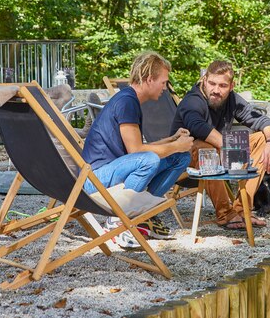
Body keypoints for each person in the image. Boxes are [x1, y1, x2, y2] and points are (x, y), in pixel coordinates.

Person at [82, 51, 193, 247]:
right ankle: (118, 219)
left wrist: (172, 141)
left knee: (181, 157)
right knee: (150, 159)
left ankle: (142, 215)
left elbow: (135, 150)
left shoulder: (131, 100)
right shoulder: (127, 102)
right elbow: (137, 152)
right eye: (164, 82)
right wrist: (174, 145)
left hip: (115, 170)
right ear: (150, 79)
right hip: (95, 179)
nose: (165, 88)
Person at [171, 60, 270, 229]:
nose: (216, 90)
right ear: (204, 80)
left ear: (231, 86)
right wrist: (228, 146)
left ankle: (242, 210)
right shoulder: (192, 100)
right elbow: (197, 125)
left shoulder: (232, 99)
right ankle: (225, 213)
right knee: (205, 147)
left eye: (222, 85)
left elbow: (262, 119)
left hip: (219, 155)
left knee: (261, 139)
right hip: (184, 160)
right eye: (212, 83)